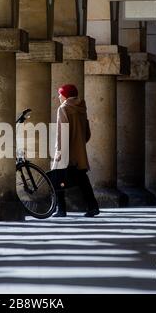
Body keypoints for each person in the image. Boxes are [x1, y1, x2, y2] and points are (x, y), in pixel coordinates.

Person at [51, 84, 100, 218]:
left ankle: (61, 209)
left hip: (66, 152)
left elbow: (62, 132)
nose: (59, 96)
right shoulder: (81, 108)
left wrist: (59, 151)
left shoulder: (63, 108)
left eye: (61, 94)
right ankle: (93, 206)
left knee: (58, 180)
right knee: (83, 181)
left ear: (65, 95)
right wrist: (78, 143)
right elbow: (87, 134)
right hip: (79, 153)